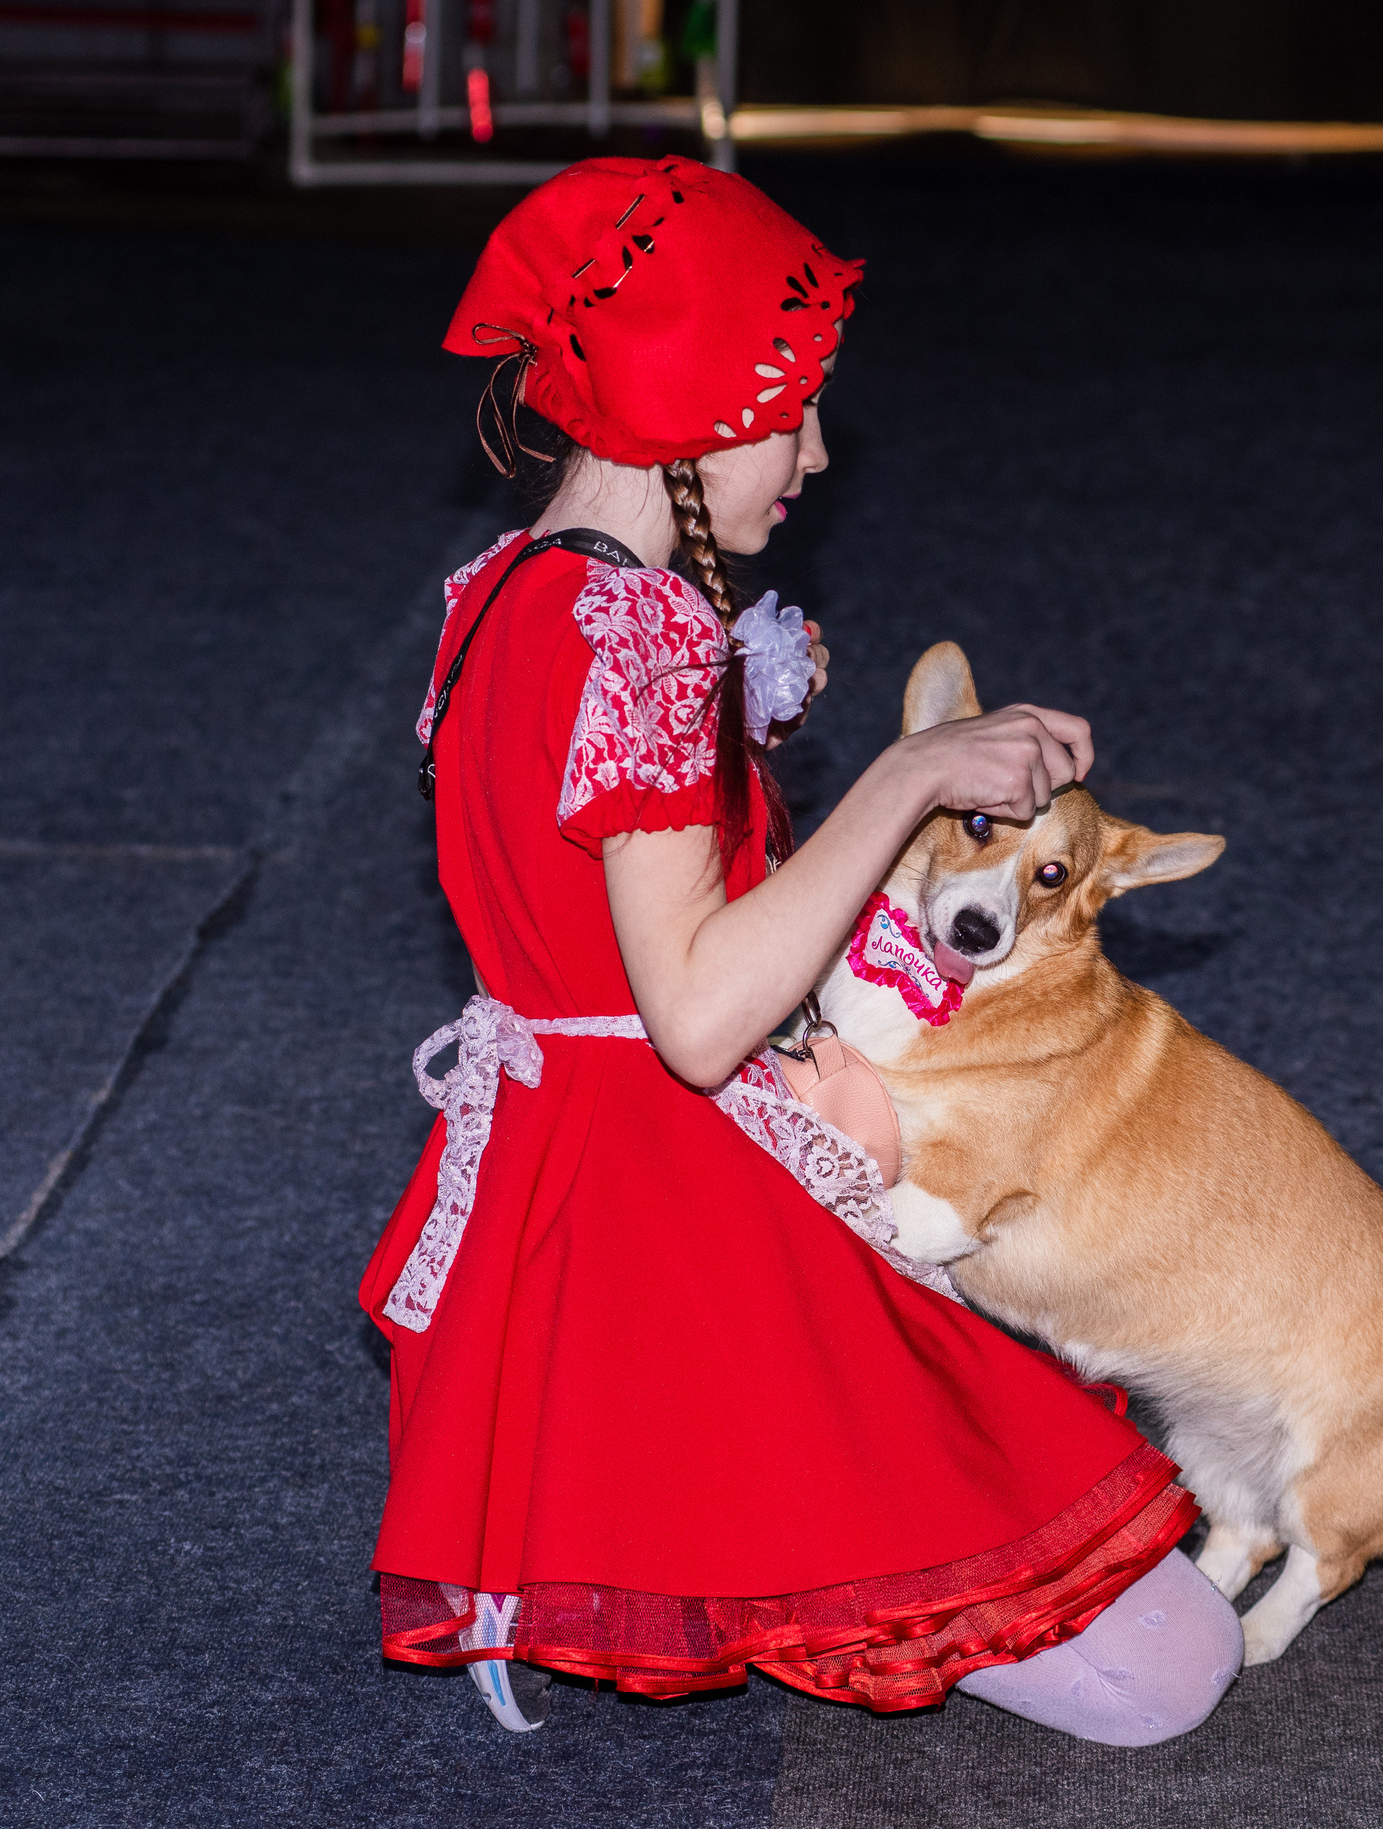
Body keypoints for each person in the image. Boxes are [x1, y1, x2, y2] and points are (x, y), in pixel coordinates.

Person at [358, 154, 1241, 1745]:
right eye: (796, 407)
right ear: (694, 398)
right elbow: (695, 1016)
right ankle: (725, 1541)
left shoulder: (507, 593)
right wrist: (909, 776)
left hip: (557, 1164)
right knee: (1171, 1667)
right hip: (661, 1197)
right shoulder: (634, 636)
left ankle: (620, 1519)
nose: (820, 453)